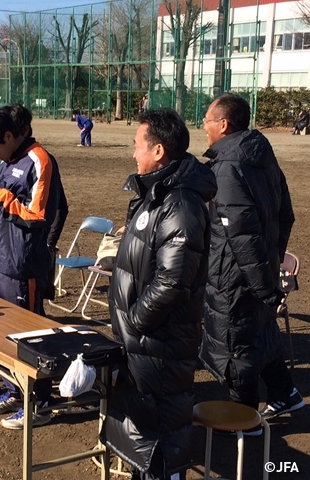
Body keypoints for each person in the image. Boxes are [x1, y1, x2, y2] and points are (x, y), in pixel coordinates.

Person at [101, 108, 217, 480]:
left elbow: (172, 282)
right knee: (145, 439)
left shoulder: (180, 204)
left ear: (159, 151)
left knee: (162, 443)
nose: (134, 153)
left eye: (138, 146)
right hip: (143, 344)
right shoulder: (157, 193)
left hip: (160, 344)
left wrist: (134, 322)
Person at [199, 93, 304, 424]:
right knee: (262, 335)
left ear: (224, 124)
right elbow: (285, 216)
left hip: (235, 278)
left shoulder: (228, 168)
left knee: (236, 347)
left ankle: (242, 421)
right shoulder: (262, 157)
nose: (204, 128)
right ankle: (285, 394)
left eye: (207, 122)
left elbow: (242, 236)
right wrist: (271, 267)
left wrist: (261, 285)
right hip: (259, 273)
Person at [0, 104, 61, 430]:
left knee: (29, 335)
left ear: (8, 136)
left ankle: (39, 402)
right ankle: (12, 390)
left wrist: (3, 196)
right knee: (2, 333)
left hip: (23, 265)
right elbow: (1, 209)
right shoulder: (6, 162)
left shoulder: (40, 160)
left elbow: (39, 214)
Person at [1, 103, 69, 300]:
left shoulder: (42, 161)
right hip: (6, 257)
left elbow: (60, 207)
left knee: (32, 318)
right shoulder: (5, 159)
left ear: (22, 130)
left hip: (30, 256)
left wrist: (49, 243)